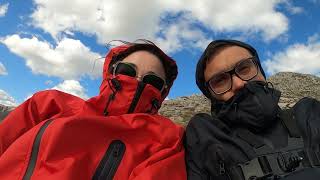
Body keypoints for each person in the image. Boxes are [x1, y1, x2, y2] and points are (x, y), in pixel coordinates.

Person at [0, 40, 187, 180]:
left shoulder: (168, 138)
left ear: (161, 93)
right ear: (110, 73)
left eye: (153, 81)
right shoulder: (48, 103)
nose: (137, 81)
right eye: (127, 71)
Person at [185, 39, 320, 180]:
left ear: (260, 70)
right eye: (220, 80)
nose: (239, 83)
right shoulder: (205, 136)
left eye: (244, 68)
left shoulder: (309, 114)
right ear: (211, 95)